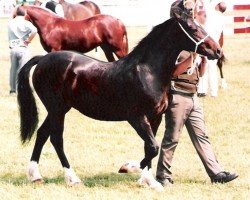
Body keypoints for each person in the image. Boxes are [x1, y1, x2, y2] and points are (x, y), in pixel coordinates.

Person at [155, 50, 238, 186]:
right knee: (172, 137)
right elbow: (173, 72)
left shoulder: (193, 49)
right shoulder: (176, 49)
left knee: (202, 136)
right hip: (178, 96)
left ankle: (216, 174)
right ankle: (163, 176)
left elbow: (198, 74)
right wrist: (192, 57)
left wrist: (203, 61)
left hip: (193, 96)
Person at [198, 0, 227, 97]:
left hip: (207, 43)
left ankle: (202, 90)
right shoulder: (222, 18)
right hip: (216, 44)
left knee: (203, 65)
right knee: (212, 68)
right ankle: (213, 92)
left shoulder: (210, 14)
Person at [8, 7, 37, 94]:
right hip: (23, 48)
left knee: (13, 70)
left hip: (13, 48)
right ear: (25, 14)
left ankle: (13, 90)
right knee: (23, 70)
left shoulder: (10, 23)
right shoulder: (26, 23)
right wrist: (28, 40)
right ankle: (22, 88)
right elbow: (34, 30)